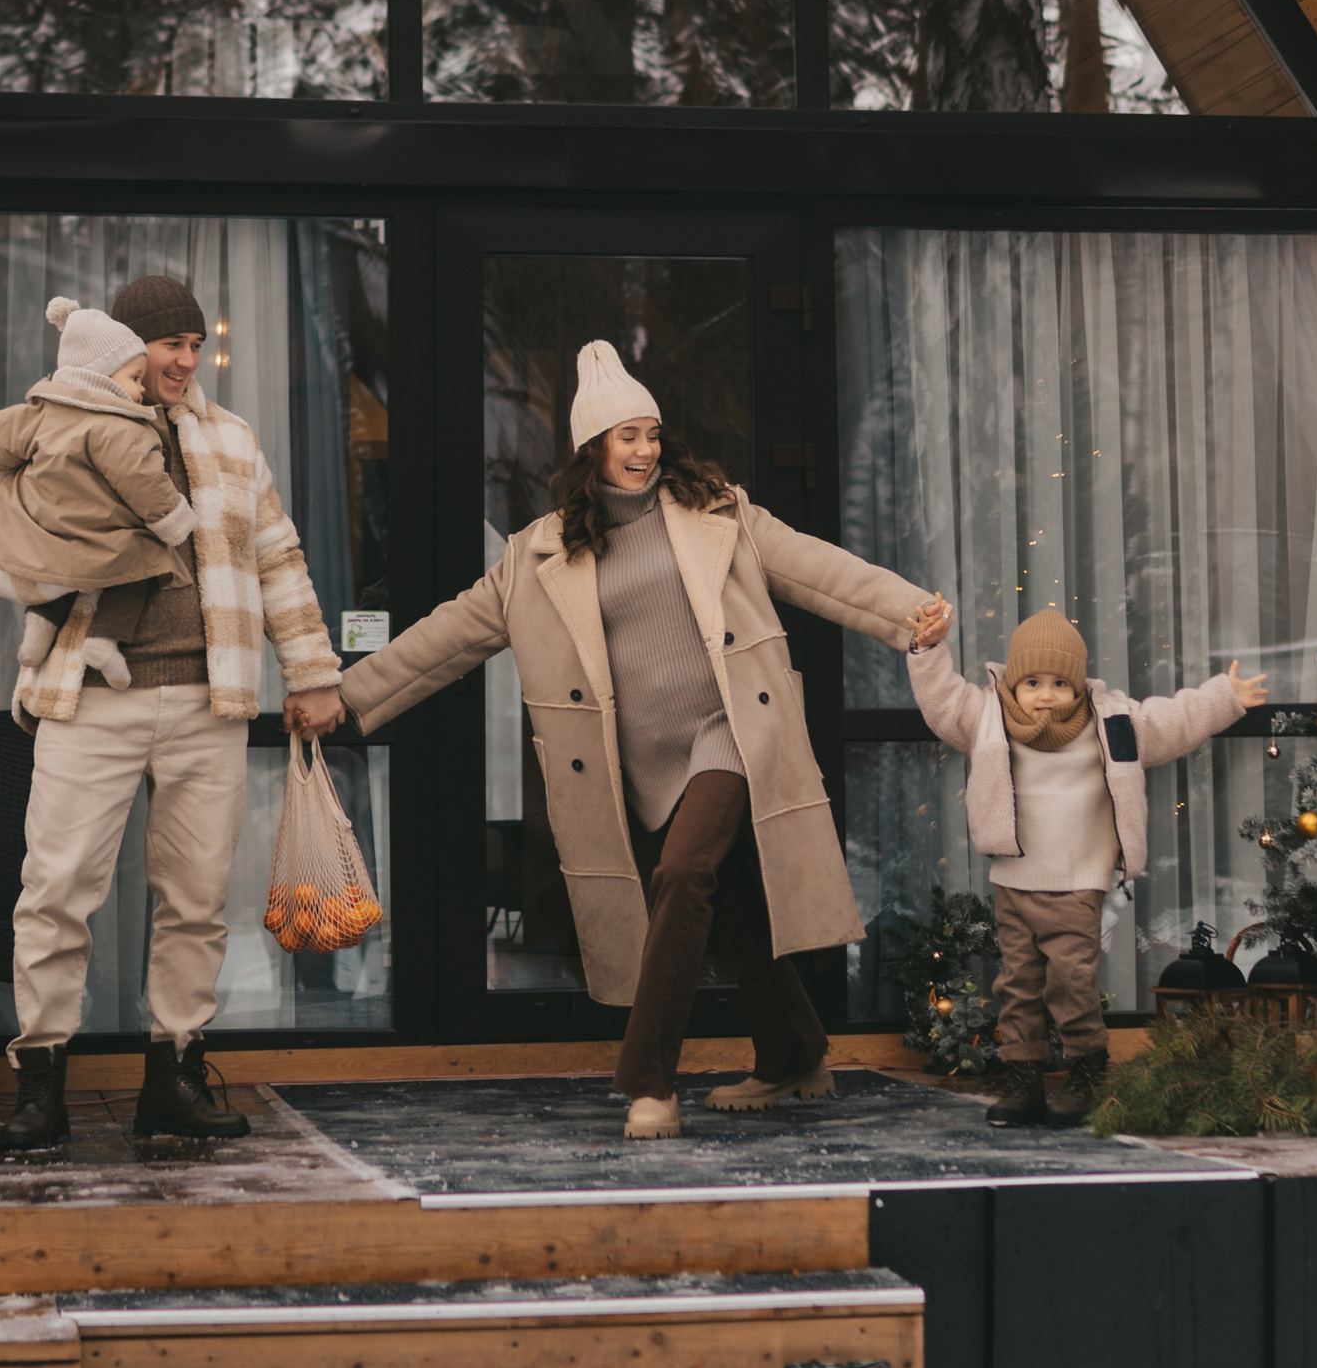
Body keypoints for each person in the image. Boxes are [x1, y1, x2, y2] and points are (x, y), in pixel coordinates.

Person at [338, 339, 948, 1140]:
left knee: (685, 871)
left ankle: (650, 1080)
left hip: (729, 729)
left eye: (651, 433)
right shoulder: (539, 557)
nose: (644, 450)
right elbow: (447, 636)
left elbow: (817, 568)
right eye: (626, 436)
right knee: (734, 904)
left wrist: (908, 612)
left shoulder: (717, 513)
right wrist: (346, 699)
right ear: (592, 447)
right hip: (644, 764)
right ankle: (795, 1053)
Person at [0, 271, 342, 1157]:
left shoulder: (230, 439)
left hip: (207, 700)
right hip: (88, 696)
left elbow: (277, 557)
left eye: (192, 343)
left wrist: (312, 669)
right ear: (124, 345)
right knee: (55, 890)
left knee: (195, 900)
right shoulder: (61, 423)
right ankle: (41, 1083)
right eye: (166, 343)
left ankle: (174, 1076)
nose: (184, 359)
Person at [909, 610, 1267, 1124]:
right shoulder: (987, 716)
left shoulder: (1112, 722)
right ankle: (1023, 1078)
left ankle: (1086, 1072)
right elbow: (942, 701)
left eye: (1059, 683)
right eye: (1032, 682)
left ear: (1078, 686)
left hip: (1078, 880)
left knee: (1071, 983)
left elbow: (1172, 721)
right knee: (1018, 985)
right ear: (1013, 681)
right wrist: (927, 652)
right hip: (1014, 879)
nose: (1046, 694)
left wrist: (1224, 697)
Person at [0, 295, 202, 692]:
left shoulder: (39, 409)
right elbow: (144, 482)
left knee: (62, 569)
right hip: (100, 546)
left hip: (47, 537)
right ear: (102, 377)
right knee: (143, 557)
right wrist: (174, 522)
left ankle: (38, 629)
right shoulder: (119, 427)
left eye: (197, 346)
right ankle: (103, 639)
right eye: (133, 378)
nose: (189, 361)